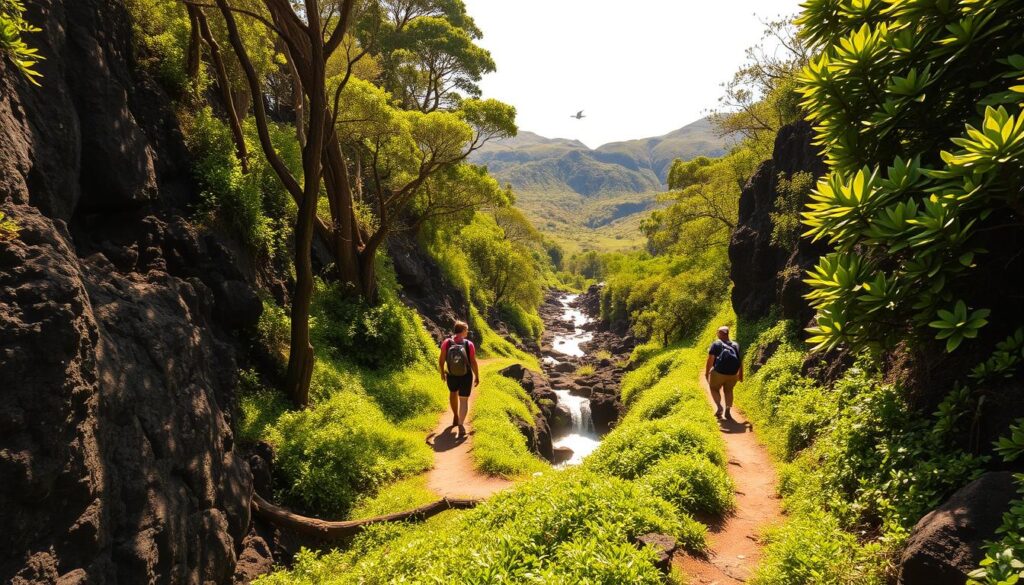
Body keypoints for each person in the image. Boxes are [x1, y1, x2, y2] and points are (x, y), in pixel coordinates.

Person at [438, 320, 480, 437]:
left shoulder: (446, 342)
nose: (467, 332)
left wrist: (442, 372)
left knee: (452, 393)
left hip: (451, 374)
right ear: (462, 331)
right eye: (466, 330)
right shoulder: (469, 344)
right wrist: (477, 375)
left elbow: (441, 359)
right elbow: (473, 362)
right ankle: (461, 424)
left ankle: (455, 416)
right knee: (464, 400)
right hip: (465, 375)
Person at [705, 325, 743, 421]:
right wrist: (740, 374)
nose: (717, 334)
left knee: (714, 388)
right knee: (729, 391)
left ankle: (719, 407)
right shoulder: (736, 345)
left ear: (720, 333)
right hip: (733, 374)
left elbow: (710, 360)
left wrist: (707, 373)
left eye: (718, 332)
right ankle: (728, 410)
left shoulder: (716, 344)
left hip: (718, 373)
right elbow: (740, 361)